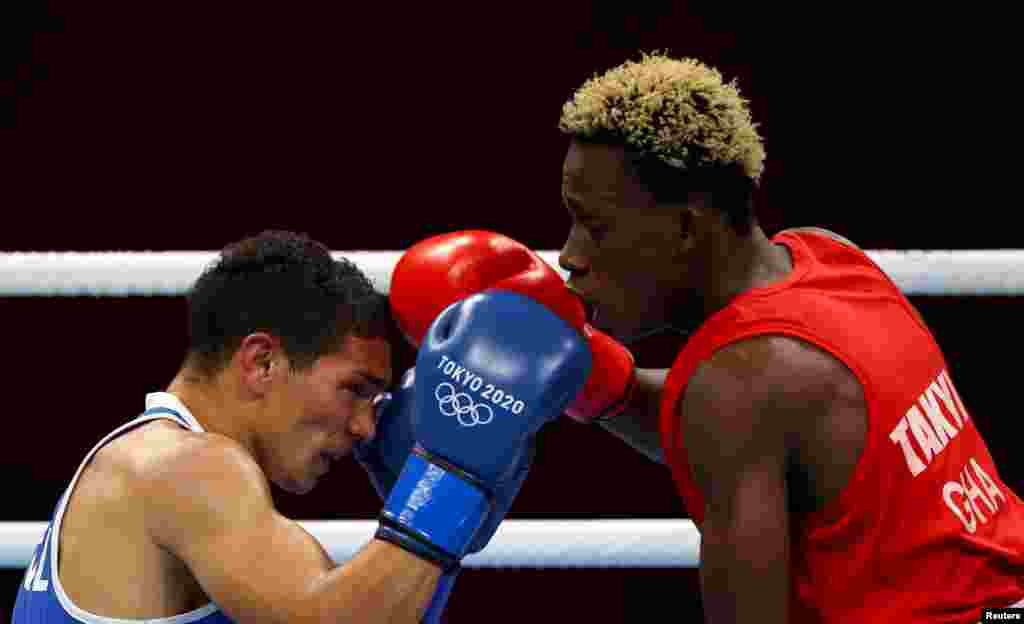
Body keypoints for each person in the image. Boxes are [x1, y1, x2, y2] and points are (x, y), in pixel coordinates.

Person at [389, 53, 1024, 623]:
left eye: (596, 226)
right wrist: (590, 370)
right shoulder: (828, 258)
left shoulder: (736, 384)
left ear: (688, 228)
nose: (571, 255)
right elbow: (754, 432)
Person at [12, 230, 592, 624]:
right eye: (354, 389)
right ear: (262, 361)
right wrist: (449, 478)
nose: (368, 427)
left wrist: (440, 520)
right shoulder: (184, 468)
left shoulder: (162, 463)